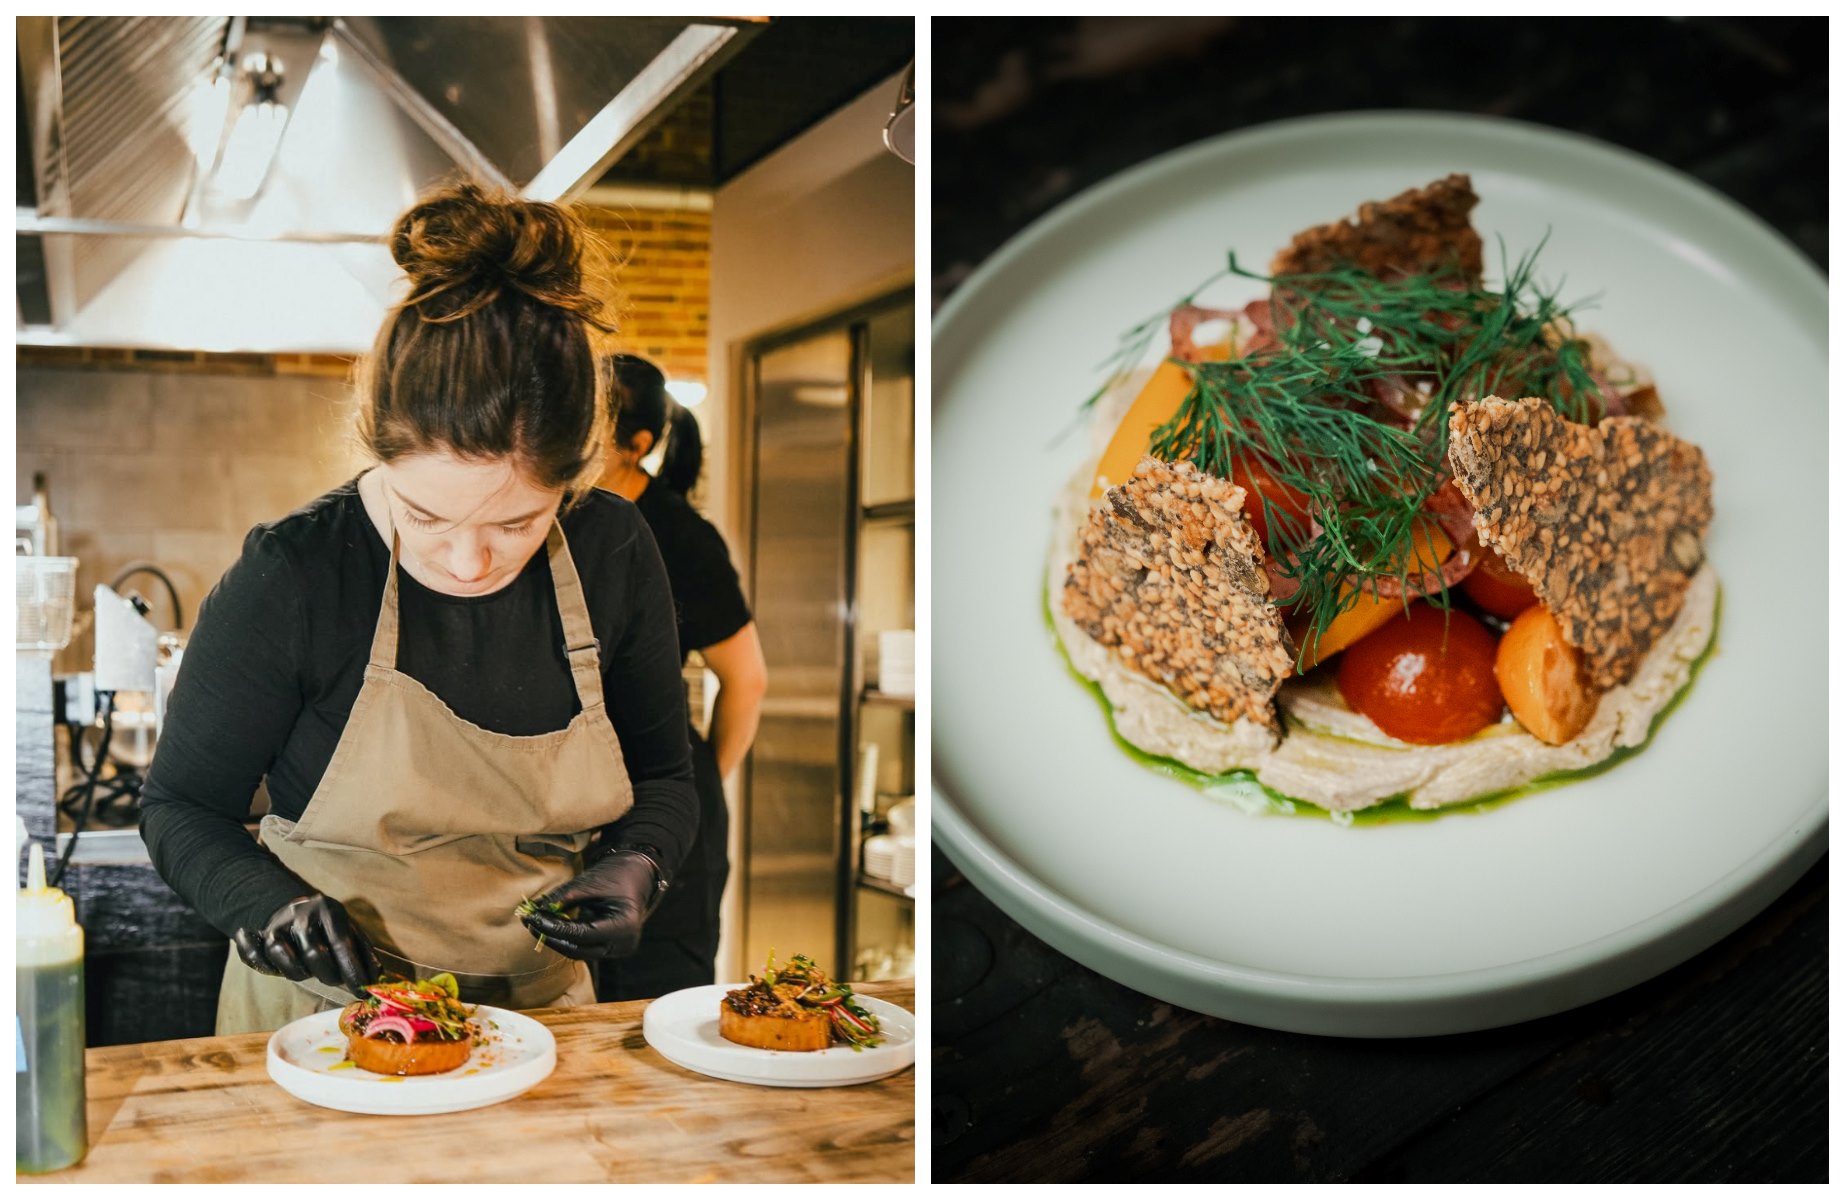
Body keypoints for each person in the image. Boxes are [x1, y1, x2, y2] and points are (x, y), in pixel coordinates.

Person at [139, 182, 698, 1033]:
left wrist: (638, 864)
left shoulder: (612, 551)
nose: (469, 559)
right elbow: (180, 807)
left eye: (517, 520)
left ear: (575, 480)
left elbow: (664, 777)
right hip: (318, 1021)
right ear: (378, 453)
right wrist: (264, 904)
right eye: (425, 516)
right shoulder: (296, 573)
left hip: (540, 1024)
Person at [594, 355, 767, 1000]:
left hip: (660, 811)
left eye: (588, 426)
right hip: (572, 806)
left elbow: (746, 681)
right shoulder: (553, 519)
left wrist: (690, 791)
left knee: (652, 1007)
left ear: (636, 446)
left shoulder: (681, 537)